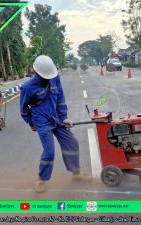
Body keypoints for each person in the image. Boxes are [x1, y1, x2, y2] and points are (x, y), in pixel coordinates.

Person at [20, 55, 91, 193]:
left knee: (72, 143)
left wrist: (64, 117)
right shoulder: (27, 87)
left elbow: (60, 98)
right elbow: (23, 109)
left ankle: (75, 173)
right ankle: (41, 179)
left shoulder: (55, 78)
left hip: (57, 118)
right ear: (36, 72)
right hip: (41, 121)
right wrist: (31, 123)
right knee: (49, 152)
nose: (47, 79)